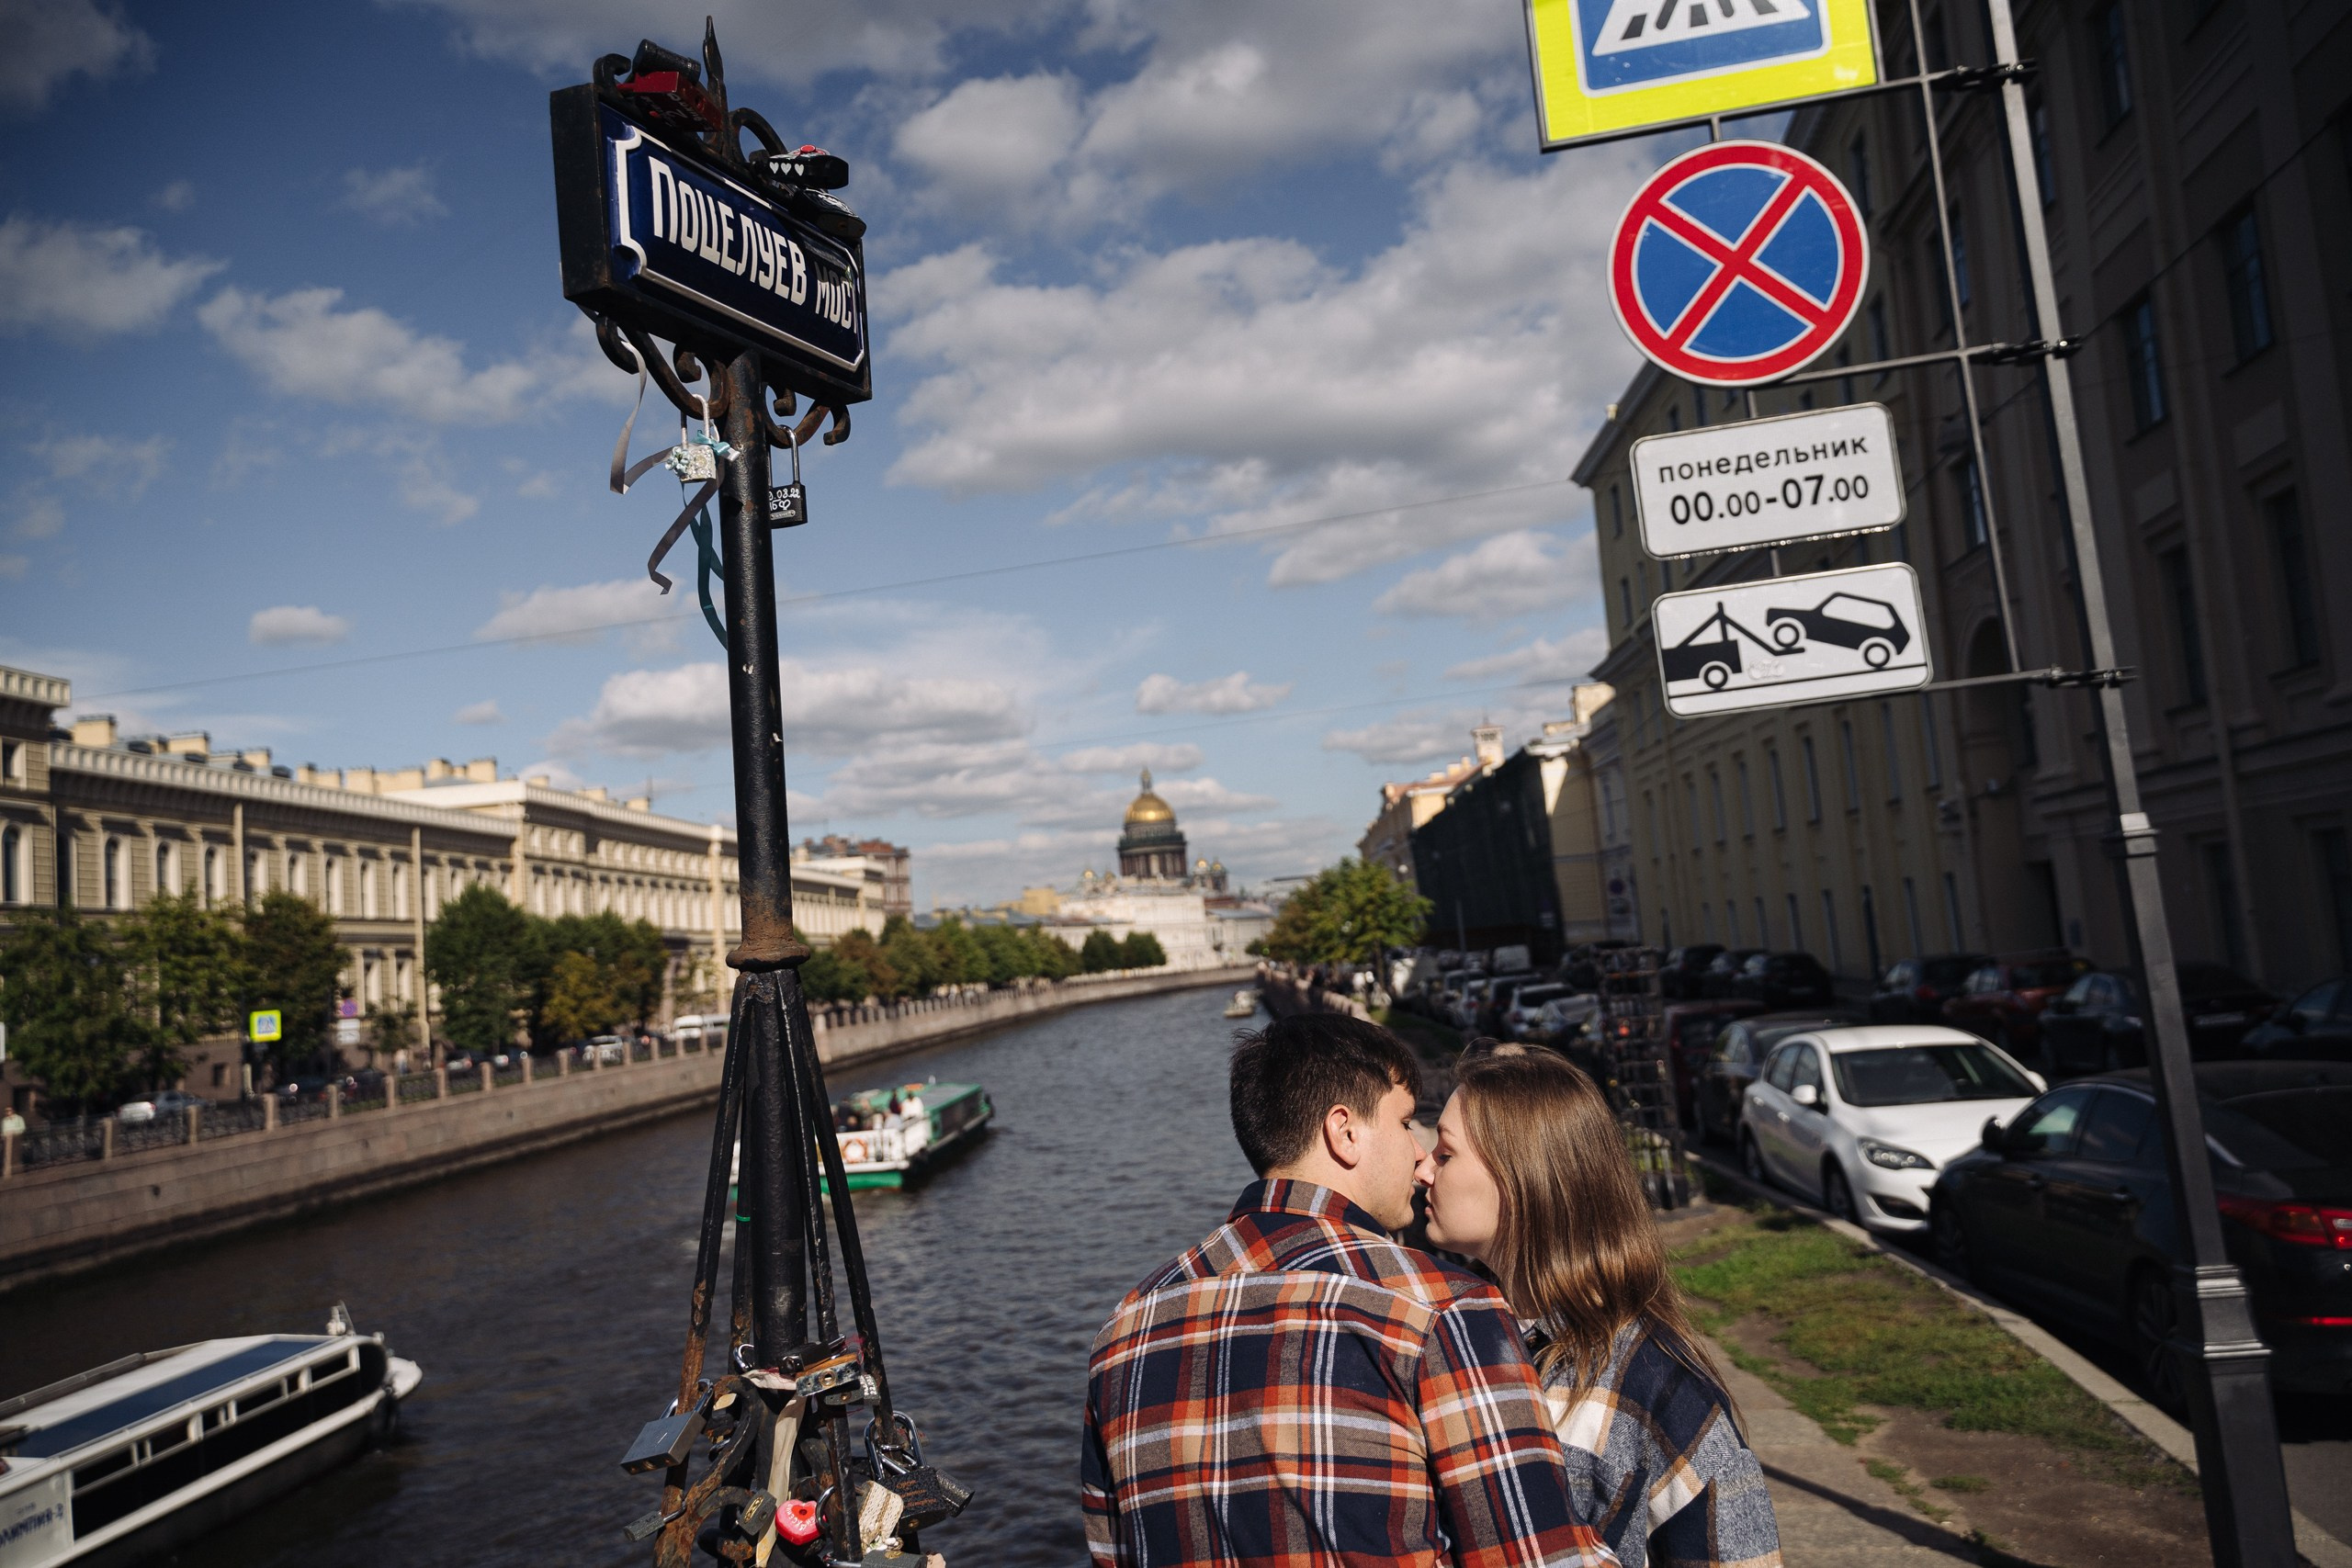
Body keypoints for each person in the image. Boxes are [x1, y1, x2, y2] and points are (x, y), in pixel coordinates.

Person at [1082, 1013, 1611, 1568]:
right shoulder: (1439, 1307)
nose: (1417, 1153)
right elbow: (1534, 1557)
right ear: (1345, 1131)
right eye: (1406, 1123)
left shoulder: (1122, 1333)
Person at [1422, 1052, 1780, 1568]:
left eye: (1445, 1154)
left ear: (1523, 1175)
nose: (1422, 1167)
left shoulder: (1653, 1380)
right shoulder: (1459, 1333)